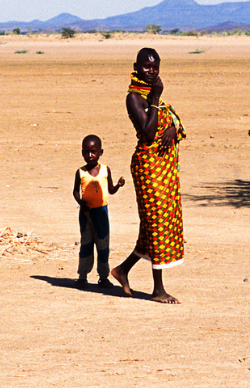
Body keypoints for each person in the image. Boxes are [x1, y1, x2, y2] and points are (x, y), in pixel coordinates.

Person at [110, 48, 186, 304]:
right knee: (157, 224)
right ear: (136, 66)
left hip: (165, 167)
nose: (151, 71)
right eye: (146, 67)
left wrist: (174, 129)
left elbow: (172, 121)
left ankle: (122, 270)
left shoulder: (153, 95)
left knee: (154, 223)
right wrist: (155, 97)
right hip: (149, 168)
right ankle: (158, 290)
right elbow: (150, 132)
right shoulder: (134, 97)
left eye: (155, 67)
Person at [72, 134, 125, 289]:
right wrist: (81, 203)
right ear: (82, 153)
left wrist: (118, 185)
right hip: (86, 213)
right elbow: (75, 191)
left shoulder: (105, 170)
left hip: (101, 213)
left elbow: (111, 190)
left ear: (101, 152)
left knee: (103, 245)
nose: (90, 155)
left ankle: (103, 277)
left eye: (93, 152)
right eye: (87, 152)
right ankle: (82, 276)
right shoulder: (80, 172)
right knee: (86, 244)